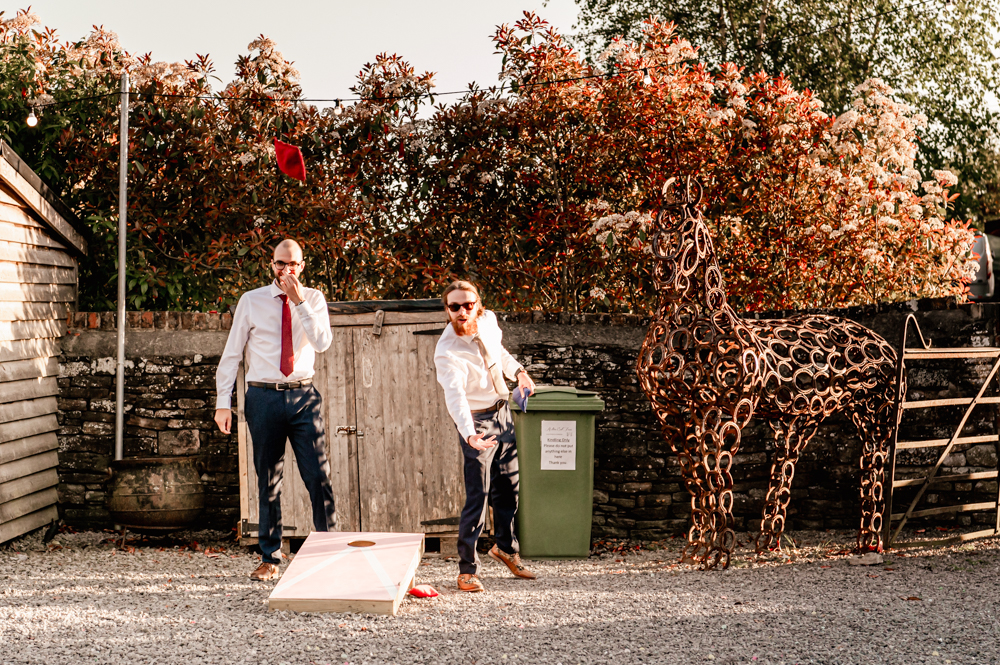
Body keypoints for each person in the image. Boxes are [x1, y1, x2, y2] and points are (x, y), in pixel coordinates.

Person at [214, 238, 335, 581]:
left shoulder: (314, 299)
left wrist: (299, 302)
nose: (286, 270)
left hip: (303, 396)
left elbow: (322, 343)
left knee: (318, 476)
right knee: (268, 479)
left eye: (293, 263)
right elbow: (232, 354)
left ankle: (328, 552)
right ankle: (270, 557)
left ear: (302, 266)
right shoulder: (251, 301)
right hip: (263, 397)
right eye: (281, 263)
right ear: (272, 264)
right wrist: (223, 403)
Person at [434, 280, 537, 592]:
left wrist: (519, 373)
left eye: (468, 304)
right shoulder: (447, 351)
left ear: (477, 305)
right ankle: (467, 570)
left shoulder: (488, 320)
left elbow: (499, 353)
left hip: (504, 414)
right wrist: (469, 435)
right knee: (478, 496)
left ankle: (505, 549)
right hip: (477, 422)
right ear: (447, 310)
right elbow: (455, 398)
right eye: (455, 307)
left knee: (509, 490)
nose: (462, 312)